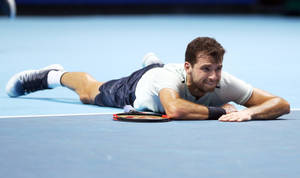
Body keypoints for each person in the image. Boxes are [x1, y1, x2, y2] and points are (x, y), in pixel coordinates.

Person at [6, 37, 290, 122]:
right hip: (138, 89)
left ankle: (153, 62)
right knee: (88, 92)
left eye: (217, 68)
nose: (214, 76)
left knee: (161, 78)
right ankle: (51, 75)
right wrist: (222, 111)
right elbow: (175, 109)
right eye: (206, 69)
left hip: (160, 79)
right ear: (188, 67)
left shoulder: (222, 80)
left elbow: (281, 103)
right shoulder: (166, 78)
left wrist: (249, 113)